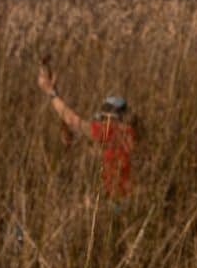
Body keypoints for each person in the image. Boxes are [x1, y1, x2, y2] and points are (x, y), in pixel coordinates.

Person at [38, 64, 137, 200]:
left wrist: (51, 93)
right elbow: (99, 152)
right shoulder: (128, 133)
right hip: (127, 197)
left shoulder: (109, 131)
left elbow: (73, 121)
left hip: (116, 198)